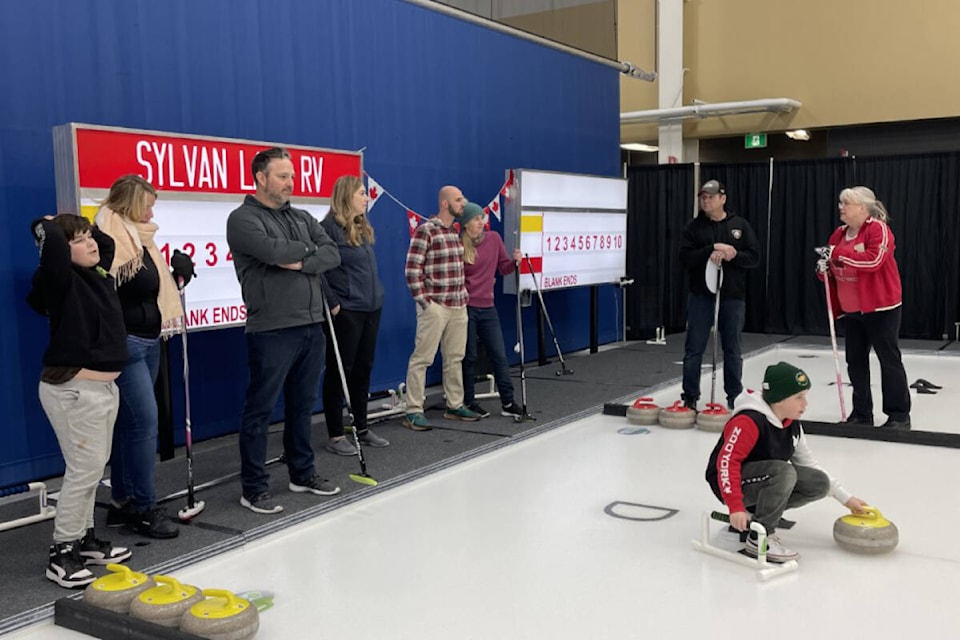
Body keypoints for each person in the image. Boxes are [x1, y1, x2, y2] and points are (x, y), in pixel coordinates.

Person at [226, 147, 342, 514]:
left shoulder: (304, 216)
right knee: (260, 409)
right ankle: (254, 487)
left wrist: (299, 258)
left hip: (312, 324)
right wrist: (307, 254)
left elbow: (332, 253)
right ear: (260, 178)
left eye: (292, 176)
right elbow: (270, 250)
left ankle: (302, 473)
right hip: (273, 328)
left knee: (302, 406)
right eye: (282, 176)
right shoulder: (242, 218)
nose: (291, 182)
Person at [28, 214, 133, 588]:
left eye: (89, 237)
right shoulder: (56, 281)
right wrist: (48, 224)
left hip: (103, 390)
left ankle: (85, 540)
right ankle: (62, 552)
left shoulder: (96, 274)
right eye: (80, 240)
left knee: (92, 469)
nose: (91, 245)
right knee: (84, 471)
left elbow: (106, 246)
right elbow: (54, 251)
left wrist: (85, 227)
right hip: (74, 391)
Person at [705, 362, 868, 563]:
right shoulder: (748, 421)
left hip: (765, 478)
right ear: (779, 399)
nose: (805, 404)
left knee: (818, 483)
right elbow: (727, 463)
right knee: (784, 472)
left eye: (805, 396)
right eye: (799, 397)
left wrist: (846, 498)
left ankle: (758, 516)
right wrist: (735, 506)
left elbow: (809, 465)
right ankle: (760, 538)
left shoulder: (792, 425)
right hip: (729, 484)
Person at [95, 175, 181, 539]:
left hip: (149, 339)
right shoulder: (108, 239)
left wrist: (177, 277)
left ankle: (123, 503)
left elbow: (150, 289)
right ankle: (144, 507)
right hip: (125, 343)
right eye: (147, 204)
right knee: (145, 423)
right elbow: (108, 289)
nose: (151, 210)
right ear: (130, 203)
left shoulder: (142, 240)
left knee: (131, 425)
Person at [818, 186, 911, 429]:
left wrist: (838, 255)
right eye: (840, 203)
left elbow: (875, 260)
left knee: (888, 359)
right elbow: (833, 267)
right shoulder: (838, 234)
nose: (841, 207)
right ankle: (861, 413)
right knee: (855, 362)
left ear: (862, 207)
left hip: (881, 308)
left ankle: (899, 414)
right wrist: (823, 269)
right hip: (852, 309)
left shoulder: (877, 229)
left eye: (846, 203)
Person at [320, 176, 390, 456]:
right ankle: (335, 434)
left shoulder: (360, 225)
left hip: (371, 307)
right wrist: (334, 303)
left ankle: (360, 427)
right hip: (347, 311)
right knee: (339, 371)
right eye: (361, 193)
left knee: (364, 368)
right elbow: (318, 270)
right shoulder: (327, 228)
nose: (366, 197)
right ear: (346, 195)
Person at [402, 186, 481, 430]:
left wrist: (463, 297)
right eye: (458, 200)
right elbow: (412, 270)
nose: (463, 204)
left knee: (455, 358)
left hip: (458, 305)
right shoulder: (427, 230)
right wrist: (426, 303)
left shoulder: (456, 232)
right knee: (422, 358)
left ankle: (454, 404)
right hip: (436, 305)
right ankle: (413, 409)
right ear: (445, 204)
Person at [679, 180, 761, 411]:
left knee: (733, 348)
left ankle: (734, 395)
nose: (706, 201)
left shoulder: (740, 225)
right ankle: (690, 395)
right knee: (694, 347)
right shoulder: (693, 228)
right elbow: (684, 258)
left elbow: (754, 258)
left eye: (711, 197)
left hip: (732, 296)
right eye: (703, 197)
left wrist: (733, 254)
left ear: (722, 199)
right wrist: (711, 249)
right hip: (701, 295)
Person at [458, 202, 523, 418]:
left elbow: (503, 267)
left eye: (482, 218)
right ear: (466, 224)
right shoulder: (460, 245)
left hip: (487, 306)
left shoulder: (493, 238)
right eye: (476, 219)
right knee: (469, 356)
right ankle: (469, 401)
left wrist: (515, 262)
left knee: (499, 354)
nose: (481, 222)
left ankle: (508, 401)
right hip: (466, 307)